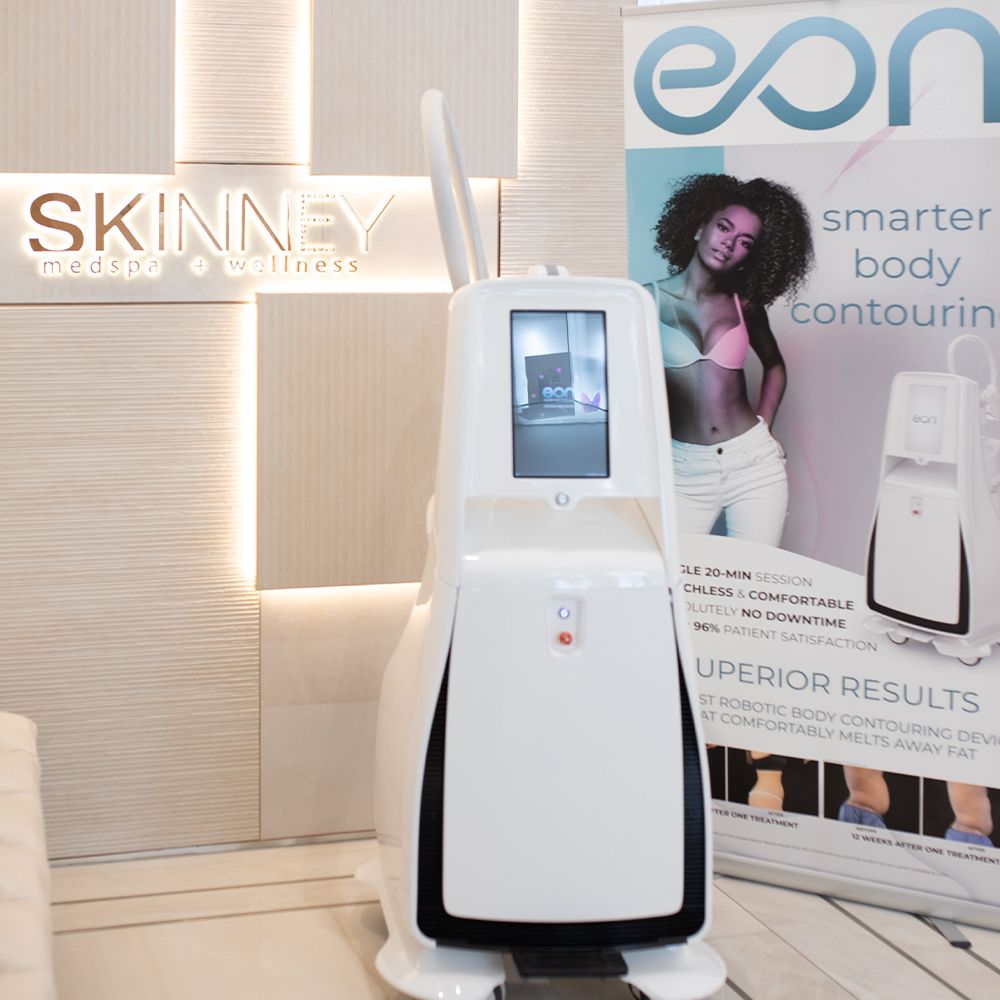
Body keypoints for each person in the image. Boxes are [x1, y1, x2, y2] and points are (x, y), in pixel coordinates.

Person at [646, 173, 814, 545]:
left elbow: (774, 364)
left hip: (752, 464)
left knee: (756, 573)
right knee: (678, 572)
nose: (729, 243)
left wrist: (766, 427)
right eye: (724, 228)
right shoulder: (645, 301)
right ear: (699, 227)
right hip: (682, 470)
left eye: (745, 242)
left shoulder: (745, 306)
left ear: (749, 256)